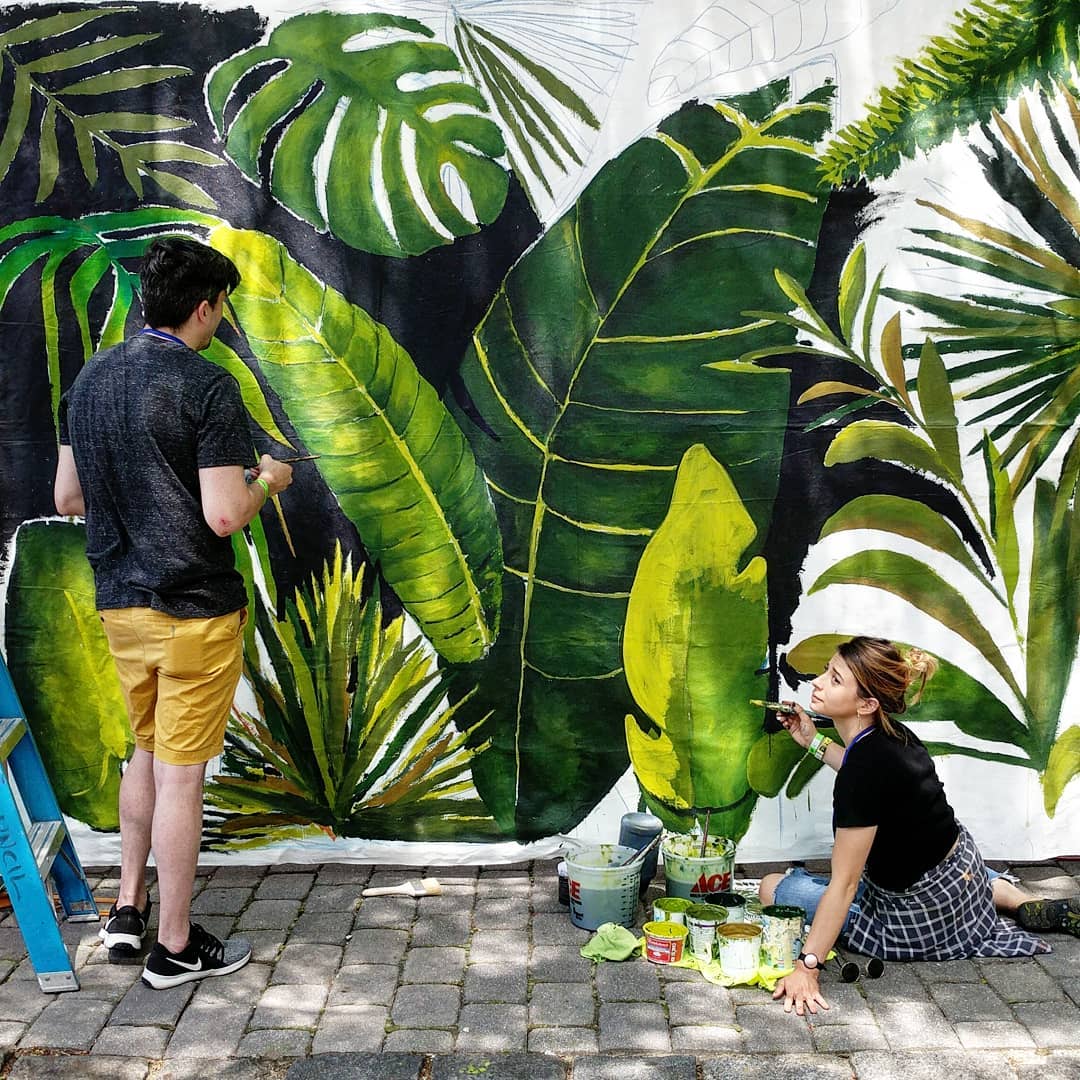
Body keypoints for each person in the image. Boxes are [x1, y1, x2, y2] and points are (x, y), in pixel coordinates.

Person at [54, 237, 294, 989]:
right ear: (204, 307)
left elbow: (67, 499)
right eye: (221, 307)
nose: (220, 319)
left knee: (146, 753)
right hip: (194, 611)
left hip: (120, 605)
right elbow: (225, 515)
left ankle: (126, 911)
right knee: (183, 776)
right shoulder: (208, 386)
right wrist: (270, 480)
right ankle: (176, 946)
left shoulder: (90, 380)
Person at [760, 636, 1080, 1016]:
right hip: (964, 876)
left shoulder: (862, 774)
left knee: (773, 888)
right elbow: (867, 777)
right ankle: (1020, 900)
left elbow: (844, 885)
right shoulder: (895, 736)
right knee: (921, 855)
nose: (818, 682)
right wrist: (812, 741)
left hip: (917, 920)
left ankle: (1002, 904)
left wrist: (806, 968)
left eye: (834, 678)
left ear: (867, 703)